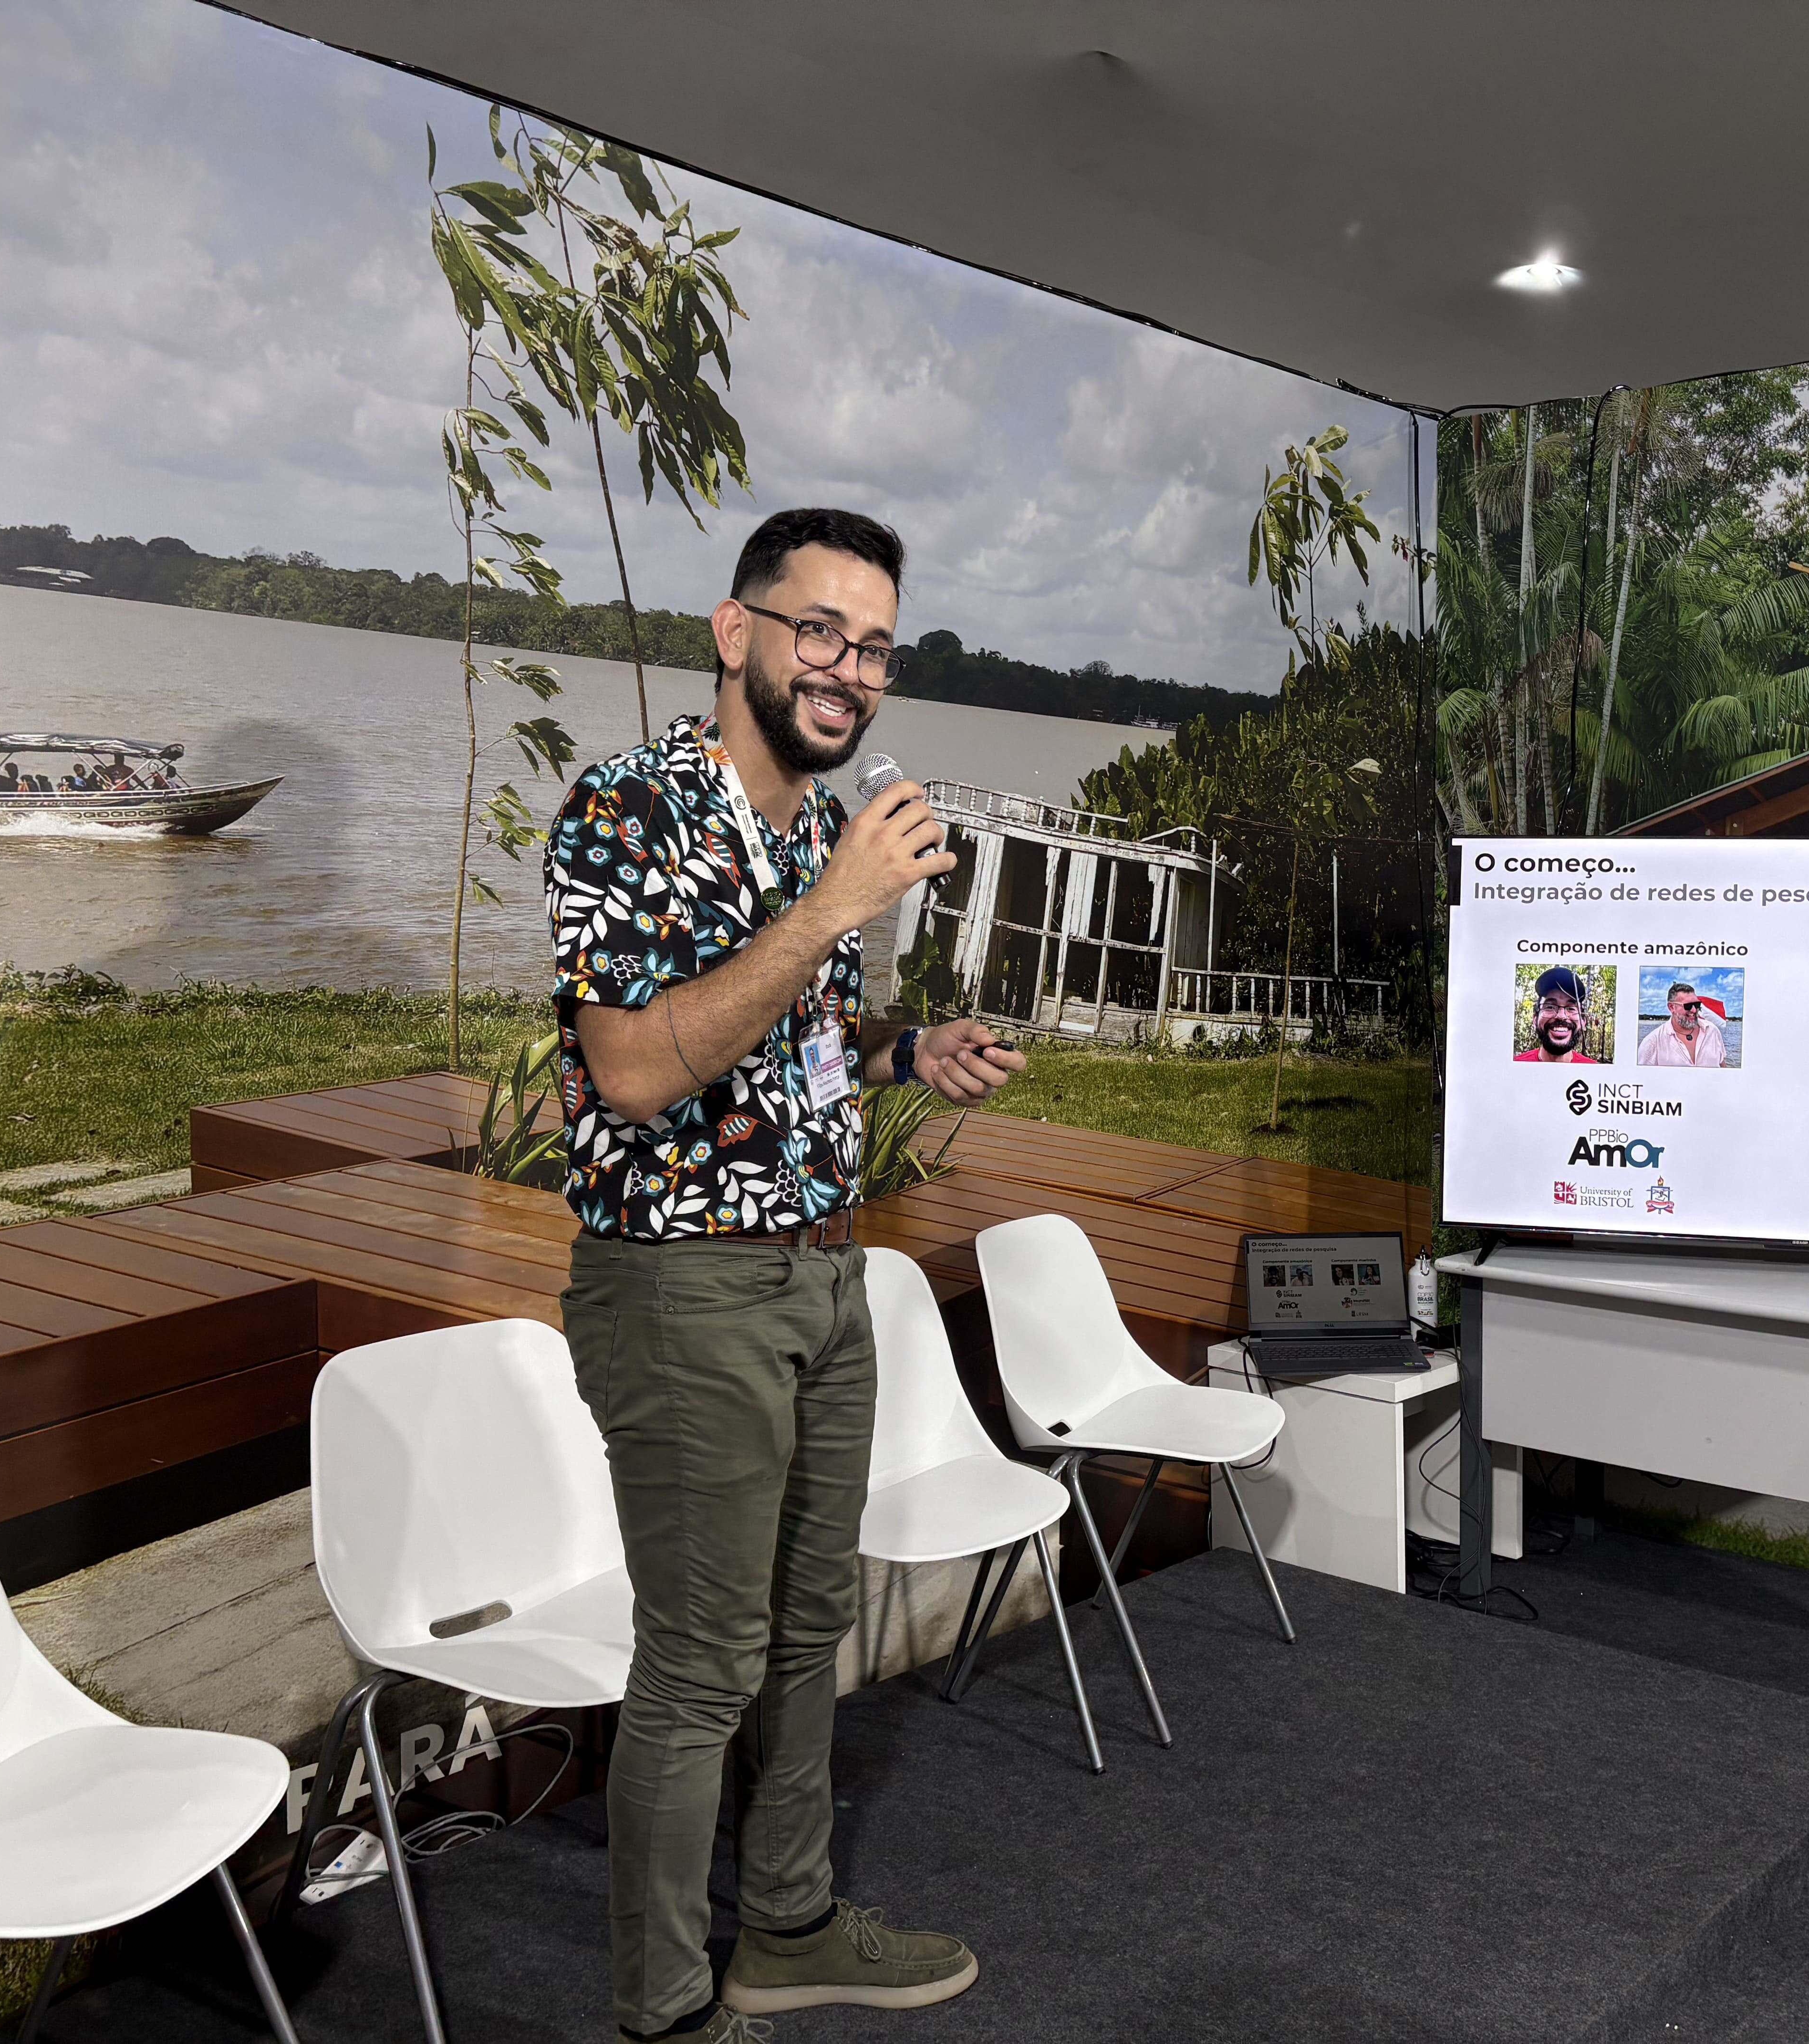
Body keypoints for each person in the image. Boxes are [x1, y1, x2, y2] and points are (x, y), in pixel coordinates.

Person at [545, 508, 1020, 2044]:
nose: (847, 669)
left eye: (874, 647)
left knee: (809, 1625)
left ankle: (792, 1926)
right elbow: (632, 1071)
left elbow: (789, 1041)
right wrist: (833, 912)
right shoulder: (627, 808)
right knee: (700, 1666)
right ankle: (666, 2007)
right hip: (684, 1285)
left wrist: (904, 1048)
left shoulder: (819, 831)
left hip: (823, 1276)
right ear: (734, 630)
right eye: (819, 629)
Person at [1515, 964, 1601, 1062]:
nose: (1561, 1016)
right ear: (1535, 1020)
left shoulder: (1593, 1069)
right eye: (1550, 1007)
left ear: (1583, 1022)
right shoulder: (1516, 1066)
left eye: (1571, 1008)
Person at [1638, 980, 1729, 1067]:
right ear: (1672, 1007)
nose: (1694, 1010)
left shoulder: (1712, 1031)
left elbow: (1722, 1065)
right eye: (1688, 1006)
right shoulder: (1653, 1042)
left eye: (1697, 1005)